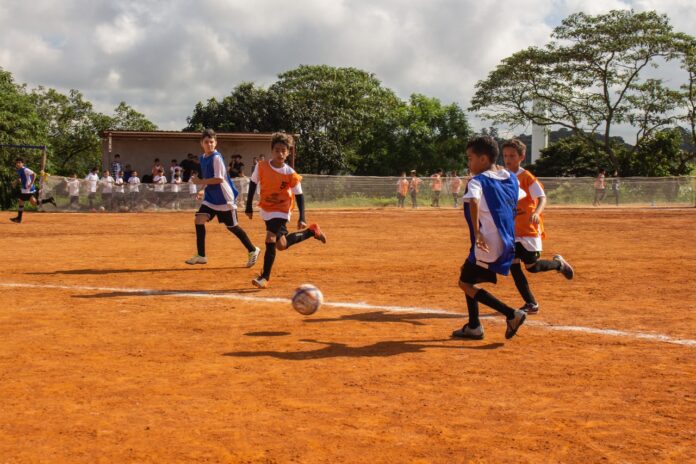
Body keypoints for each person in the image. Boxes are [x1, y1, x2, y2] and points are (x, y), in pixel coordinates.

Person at [451, 136, 527, 340]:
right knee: (466, 275)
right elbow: (518, 199)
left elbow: (473, 201)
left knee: (465, 284)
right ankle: (474, 326)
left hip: (486, 242)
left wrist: (477, 232)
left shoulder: (478, 180)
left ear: (483, 159)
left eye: (470, 158)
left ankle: (511, 314)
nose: (468, 163)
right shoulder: (509, 177)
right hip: (507, 240)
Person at [502, 138, 574, 315]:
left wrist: (537, 212)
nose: (508, 159)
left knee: (532, 267)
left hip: (528, 229)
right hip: (511, 231)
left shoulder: (526, 177)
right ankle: (531, 303)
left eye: (512, 155)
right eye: (505, 156)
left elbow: (542, 197)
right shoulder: (502, 177)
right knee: (513, 266)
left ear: (521, 157)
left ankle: (558, 265)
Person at [245, 132, 326, 289]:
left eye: (283, 150)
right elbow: (253, 184)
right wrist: (248, 206)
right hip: (266, 208)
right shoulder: (261, 166)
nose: (280, 153)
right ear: (271, 150)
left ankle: (264, 277)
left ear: (288, 152)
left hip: (282, 209)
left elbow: (299, 196)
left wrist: (302, 216)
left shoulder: (290, 174)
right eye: (277, 150)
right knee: (280, 245)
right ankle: (311, 231)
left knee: (270, 238)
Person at [185, 129, 260, 268]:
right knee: (199, 219)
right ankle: (201, 255)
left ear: (216, 143)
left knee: (233, 227)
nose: (209, 144)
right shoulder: (203, 158)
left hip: (224, 198)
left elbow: (219, 179)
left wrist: (200, 183)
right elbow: (208, 177)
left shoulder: (216, 157)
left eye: (211, 142)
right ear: (201, 143)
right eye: (206, 142)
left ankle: (252, 249)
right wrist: (202, 190)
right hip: (211, 198)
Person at [9, 158, 56, 223]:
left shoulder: (25, 169)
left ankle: (19, 218)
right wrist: (15, 182)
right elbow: (22, 178)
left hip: (28, 189)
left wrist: (31, 183)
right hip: (25, 189)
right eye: (17, 162)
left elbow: (34, 174)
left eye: (19, 162)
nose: (18, 164)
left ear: (22, 163)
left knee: (21, 201)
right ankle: (49, 200)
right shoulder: (19, 170)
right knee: (34, 203)